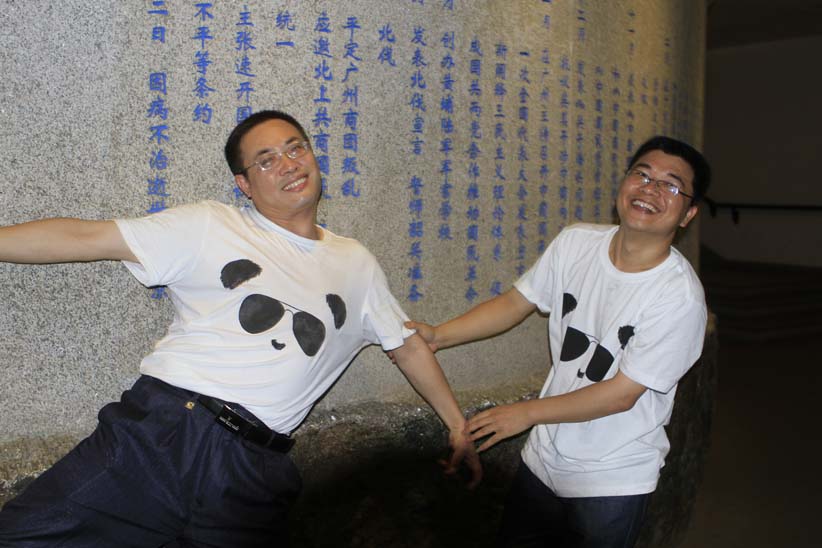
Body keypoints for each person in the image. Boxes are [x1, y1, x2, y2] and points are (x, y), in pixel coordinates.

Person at [0, 110, 481, 547]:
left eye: (296, 148)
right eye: (266, 160)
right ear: (244, 184)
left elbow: (406, 346)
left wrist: (458, 426)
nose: (289, 164)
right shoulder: (211, 225)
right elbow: (88, 236)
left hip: (256, 472)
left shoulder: (356, 263)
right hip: (166, 436)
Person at [406, 136, 711, 547]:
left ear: (688, 213)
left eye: (670, 185)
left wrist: (526, 413)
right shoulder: (576, 243)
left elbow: (622, 394)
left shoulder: (679, 297)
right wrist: (439, 335)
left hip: (612, 476)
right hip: (542, 458)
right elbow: (516, 302)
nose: (650, 188)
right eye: (642, 174)